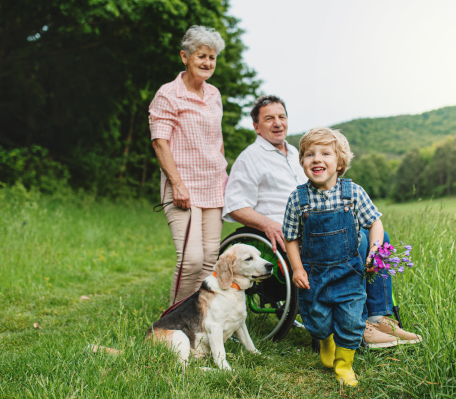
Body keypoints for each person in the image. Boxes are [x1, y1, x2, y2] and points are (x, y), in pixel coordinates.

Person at [223, 95, 421, 348]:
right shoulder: (250, 157)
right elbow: (235, 205)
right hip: (288, 229)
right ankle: (358, 326)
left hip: (321, 216)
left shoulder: (295, 152)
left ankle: (378, 316)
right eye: (269, 118)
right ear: (256, 125)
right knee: (356, 242)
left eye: (281, 116)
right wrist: (266, 224)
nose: (277, 123)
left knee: (379, 237)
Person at [282, 127, 383, 386]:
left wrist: (375, 252)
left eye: (325, 153)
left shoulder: (353, 193)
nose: (316, 159)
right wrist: (296, 269)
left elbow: (375, 223)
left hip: (349, 272)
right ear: (302, 162)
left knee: (350, 321)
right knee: (316, 320)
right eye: (309, 154)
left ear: (339, 162)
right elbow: (291, 237)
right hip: (313, 274)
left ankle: (344, 365)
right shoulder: (298, 199)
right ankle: (325, 340)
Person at [149, 26, 227, 305]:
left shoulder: (214, 94)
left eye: (212, 57)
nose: (207, 63)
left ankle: (196, 321)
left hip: (213, 188)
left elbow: (217, 140)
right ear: (185, 56)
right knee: (191, 260)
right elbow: (160, 143)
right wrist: (177, 185)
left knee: (208, 261)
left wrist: (224, 177)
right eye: (201, 56)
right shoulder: (168, 94)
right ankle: (172, 323)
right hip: (184, 189)